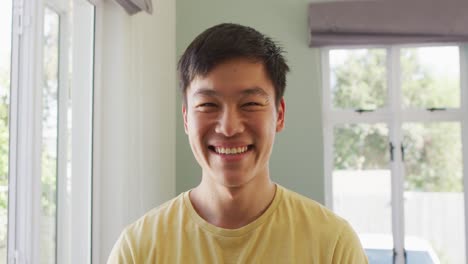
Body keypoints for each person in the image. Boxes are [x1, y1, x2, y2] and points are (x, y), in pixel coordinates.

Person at [107, 23, 368, 264]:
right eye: (208, 105)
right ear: (186, 118)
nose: (229, 127)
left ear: (279, 114)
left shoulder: (333, 245)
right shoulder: (138, 249)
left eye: (250, 104)